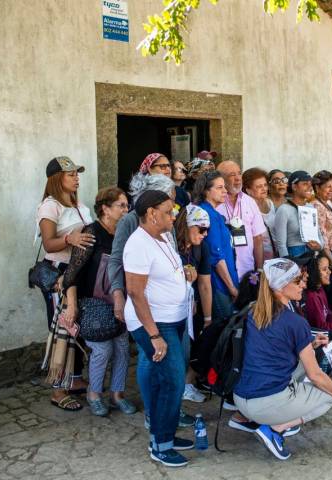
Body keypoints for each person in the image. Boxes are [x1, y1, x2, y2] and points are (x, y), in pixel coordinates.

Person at [234, 258, 332, 461]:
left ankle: (268, 420)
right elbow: (315, 376)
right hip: (264, 404)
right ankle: (276, 429)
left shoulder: (255, 311)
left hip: (241, 397)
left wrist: (310, 344)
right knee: (328, 396)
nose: (304, 284)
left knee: (307, 365)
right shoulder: (295, 321)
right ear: (280, 286)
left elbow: (274, 346)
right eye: (297, 281)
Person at [106, 174, 196, 427]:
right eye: (168, 202)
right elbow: (116, 260)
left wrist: (184, 274)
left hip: (173, 309)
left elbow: (171, 258)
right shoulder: (130, 223)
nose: (174, 208)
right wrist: (118, 294)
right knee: (153, 360)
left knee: (172, 365)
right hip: (148, 307)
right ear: (152, 207)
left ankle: (168, 411)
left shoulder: (165, 229)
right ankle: (155, 415)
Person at [123, 190, 194, 467]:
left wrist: (184, 273)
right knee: (173, 380)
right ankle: (160, 445)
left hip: (173, 318)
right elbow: (136, 292)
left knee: (166, 378)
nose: (174, 214)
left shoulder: (162, 236)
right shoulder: (137, 243)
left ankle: (166, 432)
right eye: (168, 210)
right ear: (151, 213)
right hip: (153, 322)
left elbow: (164, 272)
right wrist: (153, 335)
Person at [61, 187, 135, 416]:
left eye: (126, 205)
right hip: (91, 302)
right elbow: (71, 274)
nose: (126, 210)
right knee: (102, 350)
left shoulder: (125, 233)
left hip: (119, 299)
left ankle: (117, 394)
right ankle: (94, 394)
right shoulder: (91, 233)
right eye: (121, 205)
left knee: (122, 347)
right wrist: (72, 306)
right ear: (105, 209)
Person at [36, 156, 93, 411]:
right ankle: (58, 389)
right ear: (57, 179)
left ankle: (75, 378)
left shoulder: (79, 204)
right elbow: (49, 243)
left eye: (77, 173)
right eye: (70, 174)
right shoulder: (50, 206)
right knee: (62, 327)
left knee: (77, 323)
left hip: (79, 271)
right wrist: (70, 238)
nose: (76, 177)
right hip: (60, 273)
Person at [174, 205, 213, 403]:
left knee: (191, 347)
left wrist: (208, 318)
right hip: (170, 308)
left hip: (191, 307)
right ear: (186, 226)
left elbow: (205, 284)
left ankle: (186, 386)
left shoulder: (200, 247)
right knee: (177, 350)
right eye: (201, 229)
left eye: (208, 229)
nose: (205, 234)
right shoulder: (170, 245)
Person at [193, 171, 239, 325]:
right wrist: (231, 288)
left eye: (224, 187)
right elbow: (215, 256)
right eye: (220, 188)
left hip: (223, 281)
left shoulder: (214, 213)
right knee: (222, 331)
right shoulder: (206, 214)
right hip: (218, 284)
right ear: (206, 190)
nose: (225, 191)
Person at [216, 161, 266, 279]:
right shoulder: (215, 203)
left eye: (239, 173)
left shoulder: (249, 202)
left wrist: (259, 269)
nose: (238, 178)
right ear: (220, 179)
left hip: (247, 270)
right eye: (232, 175)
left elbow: (257, 238)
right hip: (221, 272)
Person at [273, 171, 323, 258]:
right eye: (305, 184)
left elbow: (318, 234)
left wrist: (319, 246)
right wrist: (288, 265)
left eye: (310, 184)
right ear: (294, 187)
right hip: (293, 256)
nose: (310, 187)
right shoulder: (284, 210)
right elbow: (281, 244)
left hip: (311, 255)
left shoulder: (310, 207)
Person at [244, 168, 277, 261]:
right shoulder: (247, 208)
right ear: (248, 190)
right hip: (259, 256)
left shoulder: (270, 203)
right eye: (259, 186)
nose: (264, 189)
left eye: (265, 185)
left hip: (276, 254)